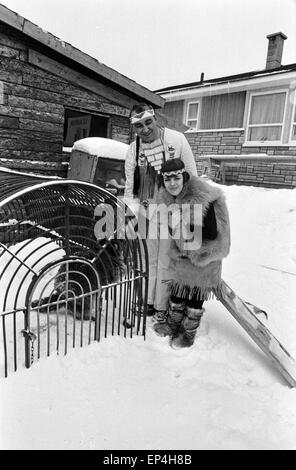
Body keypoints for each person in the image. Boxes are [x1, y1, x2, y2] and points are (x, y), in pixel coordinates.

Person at [124, 103, 197, 317]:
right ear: (134, 128)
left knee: (166, 260)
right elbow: (129, 190)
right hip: (146, 211)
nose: (145, 129)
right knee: (147, 259)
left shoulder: (176, 139)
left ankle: (162, 306)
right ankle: (147, 301)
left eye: (148, 122)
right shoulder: (133, 150)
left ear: (155, 119)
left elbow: (191, 176)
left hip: (172, 211)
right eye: (138, 126)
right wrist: (133, 213)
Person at [153, 158, 231, 349]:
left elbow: (212, 232)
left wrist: (184, 223)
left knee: (194, 297)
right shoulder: (168, 197)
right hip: (185, 251)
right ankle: (172, 325)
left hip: (206, 254)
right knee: (178, 293)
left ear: (184, 176)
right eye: (167, 179)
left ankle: (188, 335)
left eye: (176, 178)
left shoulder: (201, 196)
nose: (172, 183)